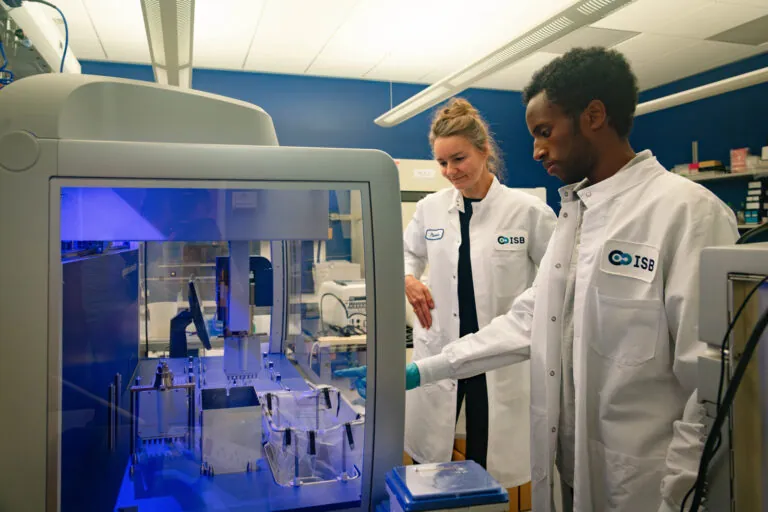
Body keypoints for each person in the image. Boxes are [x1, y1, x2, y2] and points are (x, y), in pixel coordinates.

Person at [341, 48, 739, 512]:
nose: (535, 150)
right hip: (571, 472)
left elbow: (713, 388)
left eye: (545, 132)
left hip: (646, 483)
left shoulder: (686, 213)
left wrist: (684, 498)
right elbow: (528, 320)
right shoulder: (577, 216)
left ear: (593, 117)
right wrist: (419, 370)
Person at [401, 98, 555, 488]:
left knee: (491, 464)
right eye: (442, 163)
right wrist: (408, 278)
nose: (450, 171)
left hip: (497, 356)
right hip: (440, 346)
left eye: (459, 159)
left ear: (484, 150)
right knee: (433, 460)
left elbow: (555, 281)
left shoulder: (528, 211)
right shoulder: (430, 209)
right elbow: (405, 253)